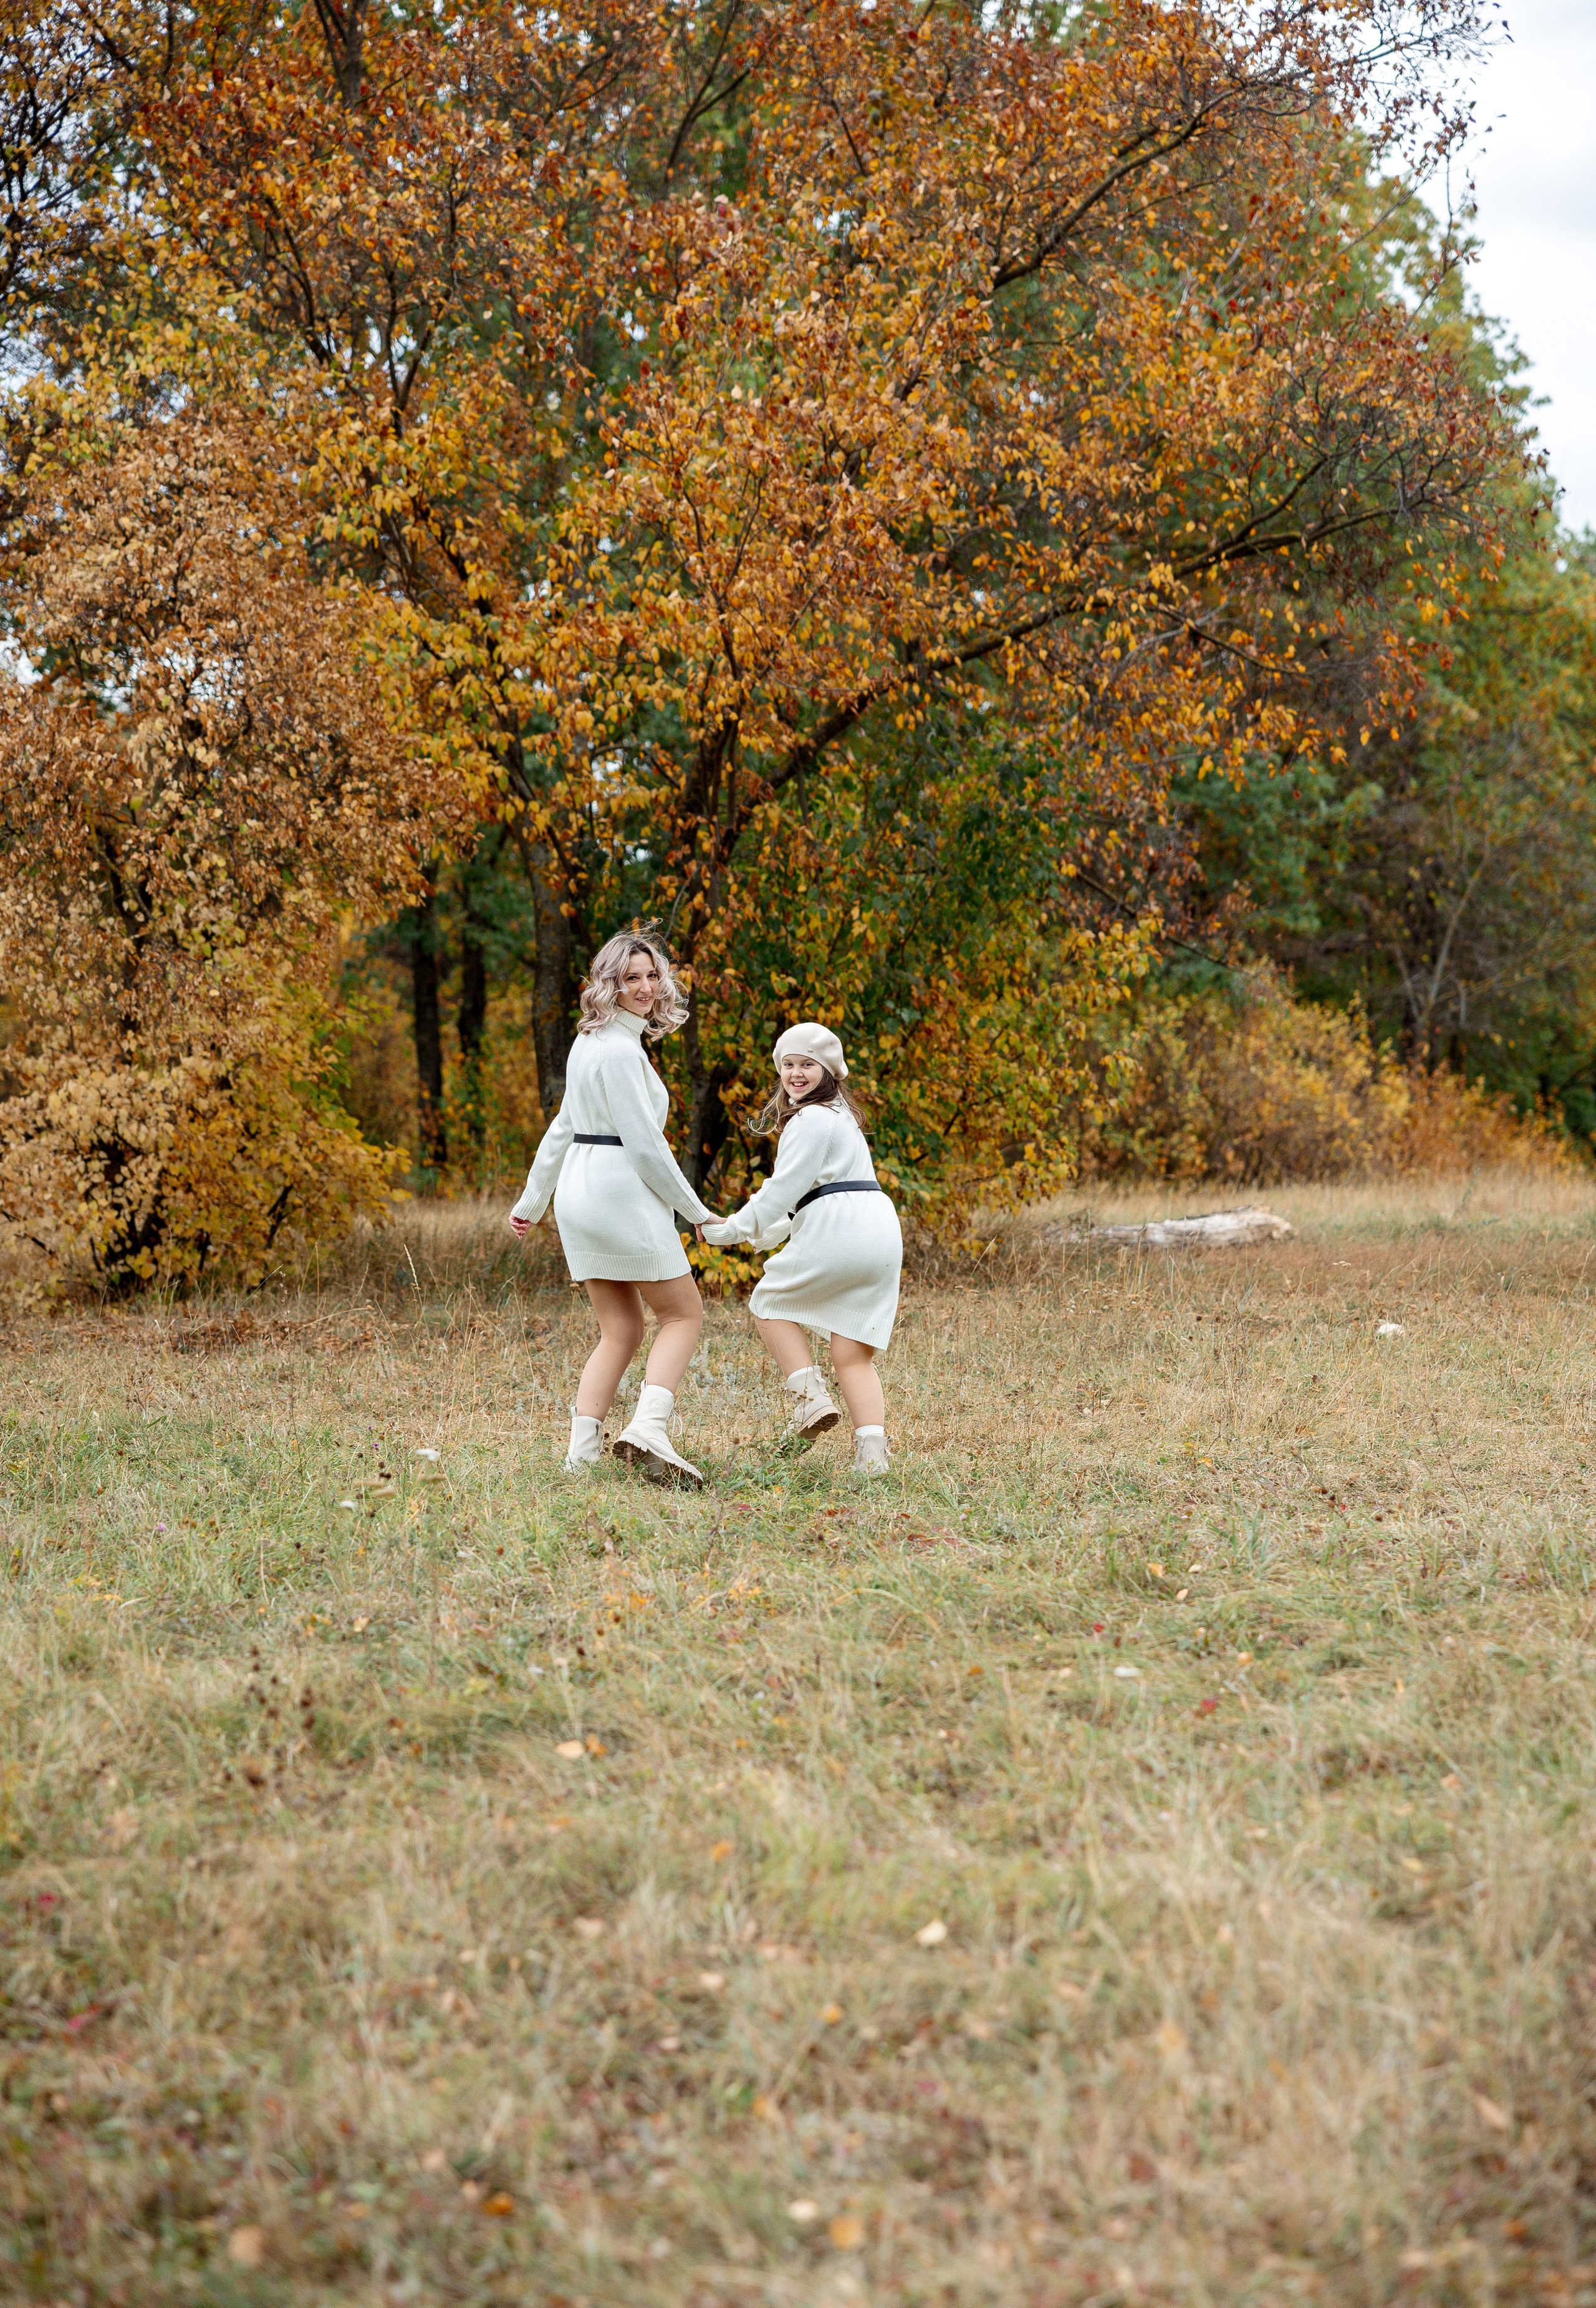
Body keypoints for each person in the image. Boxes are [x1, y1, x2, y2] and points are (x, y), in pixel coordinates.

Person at [506, 933, 719, 1488]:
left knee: (620, 1329)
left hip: (581, 1191)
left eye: (651, 975)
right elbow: (647, 1147)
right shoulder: (621, 1050)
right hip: (620, 1189)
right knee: (684, 1313)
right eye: (632, 978)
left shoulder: (589, 1041)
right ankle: (648, 1427)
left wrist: (534, 1199)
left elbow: (561, 1127)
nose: (646, 987)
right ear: (610, 984)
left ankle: (581, 1458)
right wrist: (694, 1209)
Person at [701, 1023, 901, 1474]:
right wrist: (762, 1236)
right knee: (852, 1354)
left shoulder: (809, 1120)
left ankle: (810, 1400)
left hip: (841, 1229)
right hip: (880, 1231)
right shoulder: (841, 1118)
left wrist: (731, 1229)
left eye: (807, 1064)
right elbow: (805, 1200)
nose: (796, 1073)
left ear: (827, 1070)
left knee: (768, 1303)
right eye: (788, 1064)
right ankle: (872, 1457)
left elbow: (782, 1190)